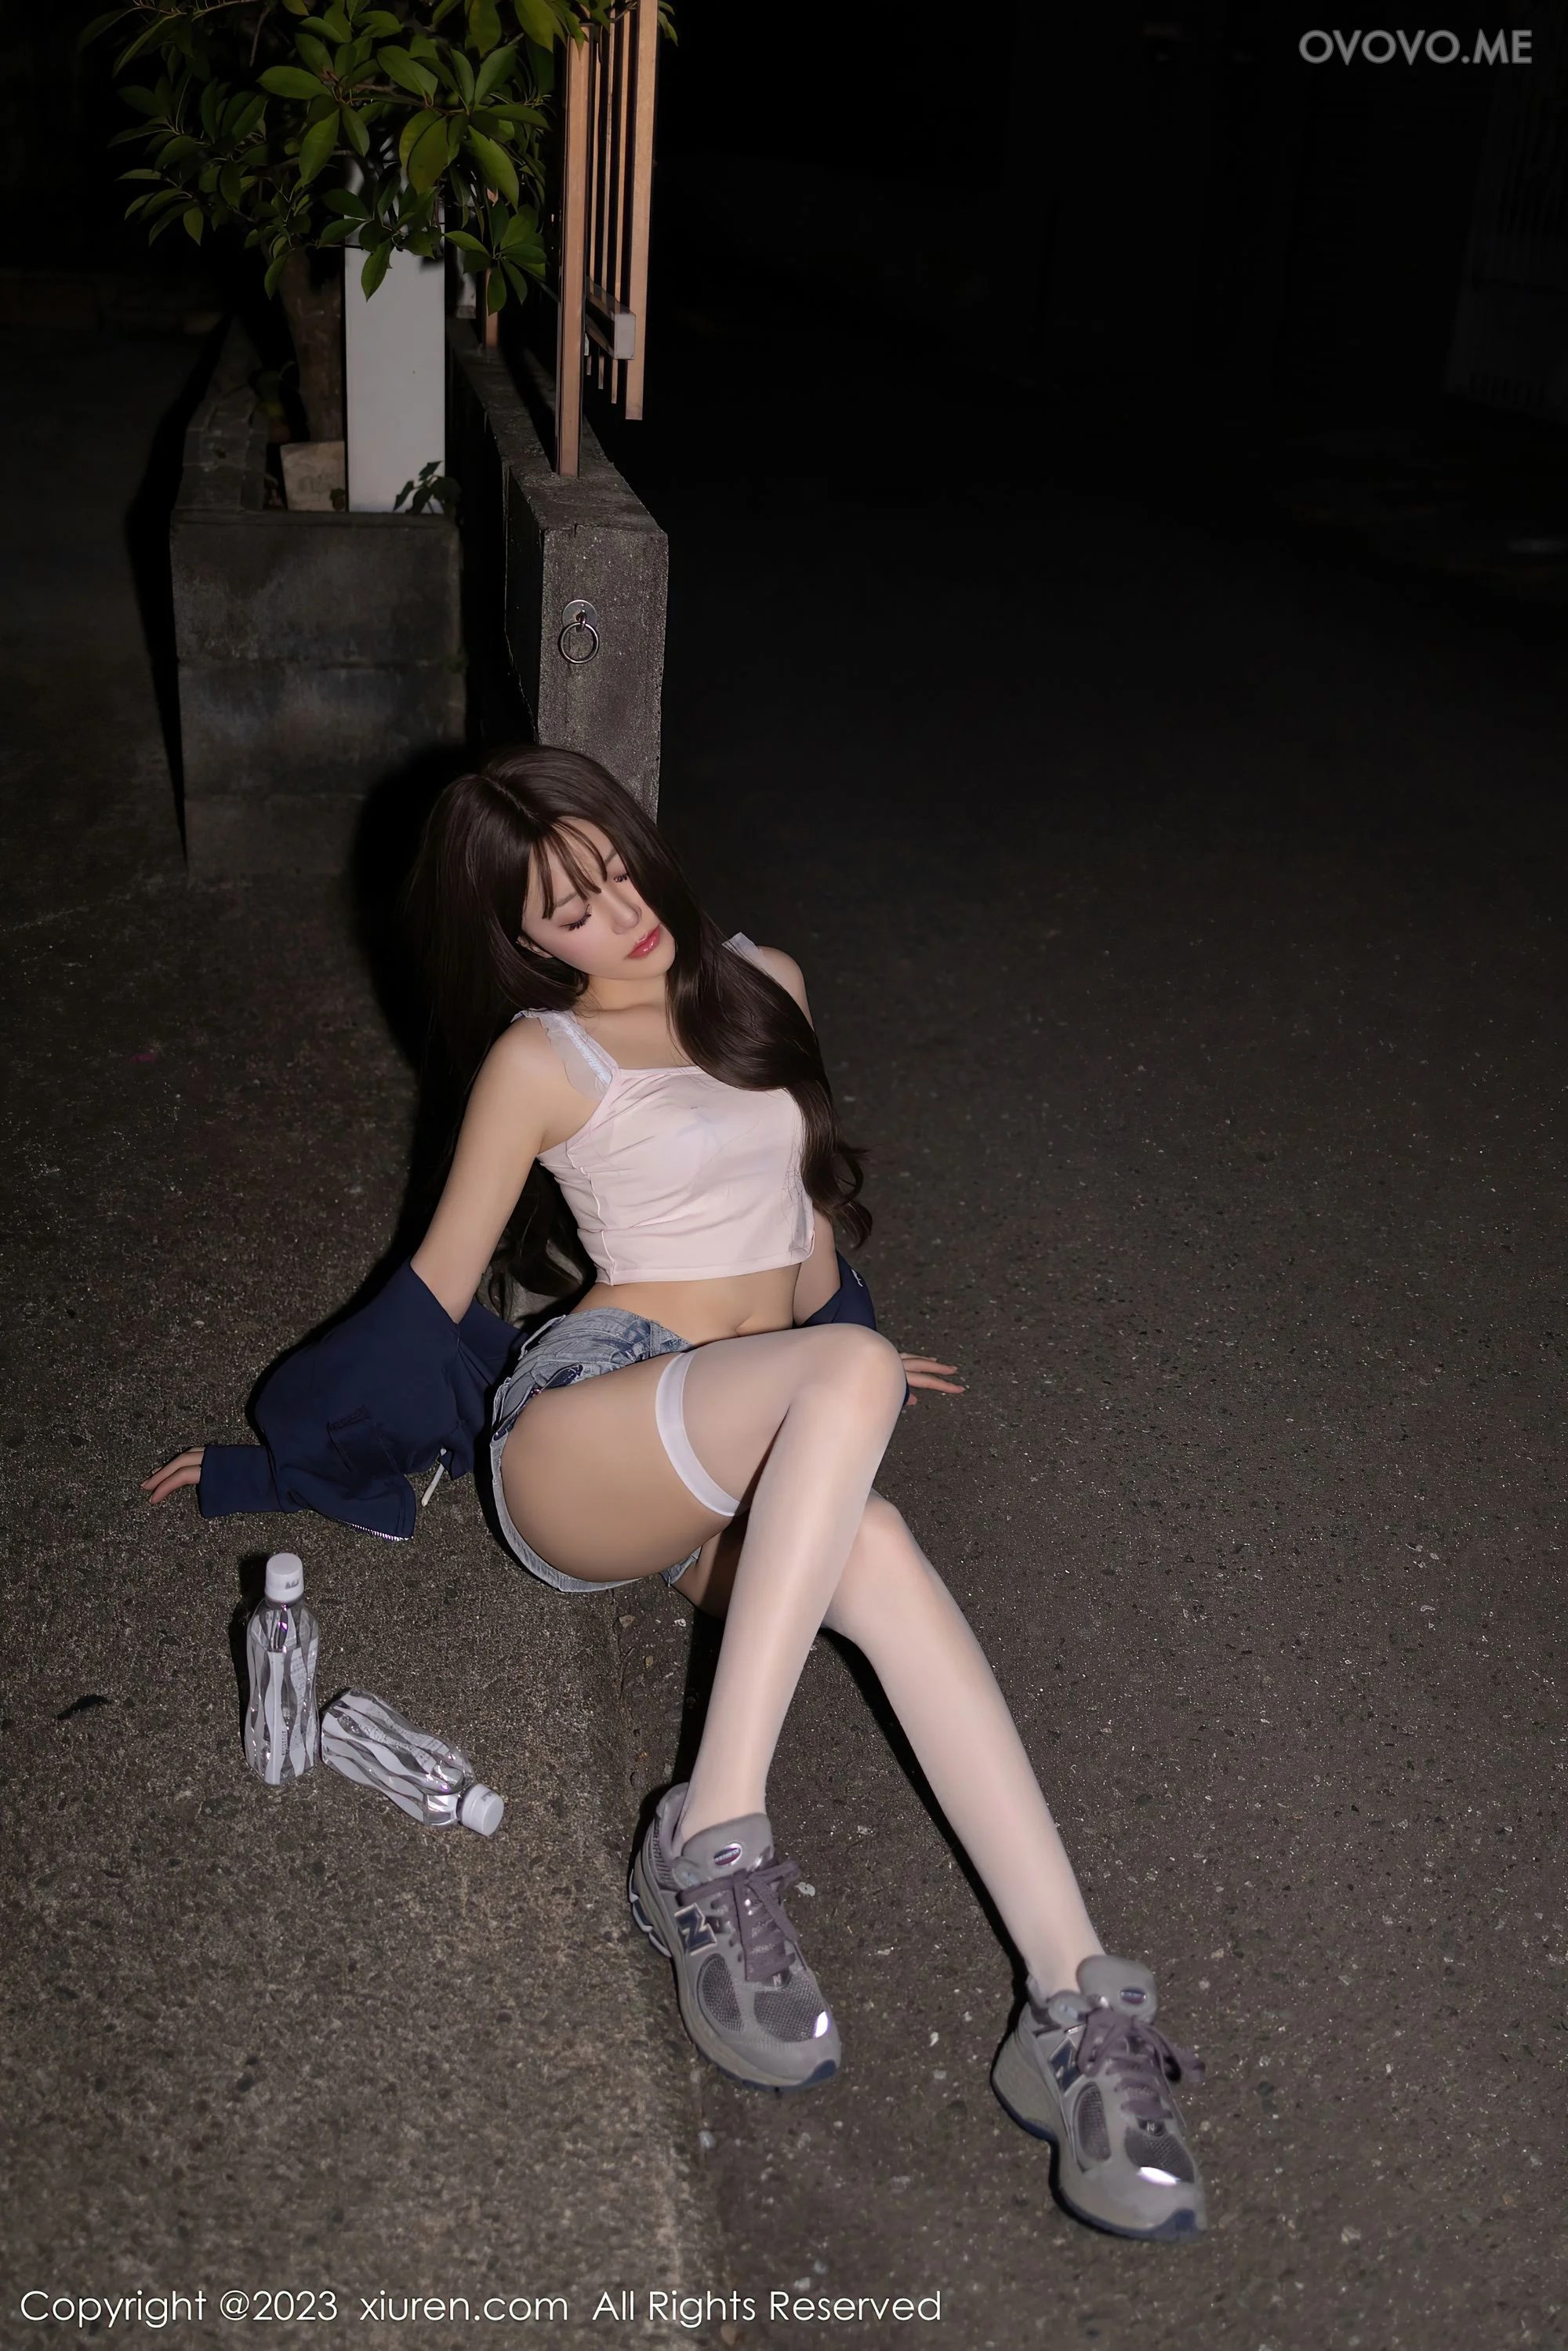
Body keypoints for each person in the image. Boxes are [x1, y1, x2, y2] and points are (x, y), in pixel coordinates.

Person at [145, 745, 1205, 2241]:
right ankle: (715, 1838)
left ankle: (1074, 2006)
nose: (616, 910)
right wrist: (282, 1462)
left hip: (746, 1420)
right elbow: (429, 1296)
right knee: (854, 1382)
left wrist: (844, 1347)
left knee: (877, 1535)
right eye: (566, 906)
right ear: (525, 940)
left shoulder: (766, 980)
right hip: (588, 1431)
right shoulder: (543, 1061)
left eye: (611, 864)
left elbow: (805, 1219)